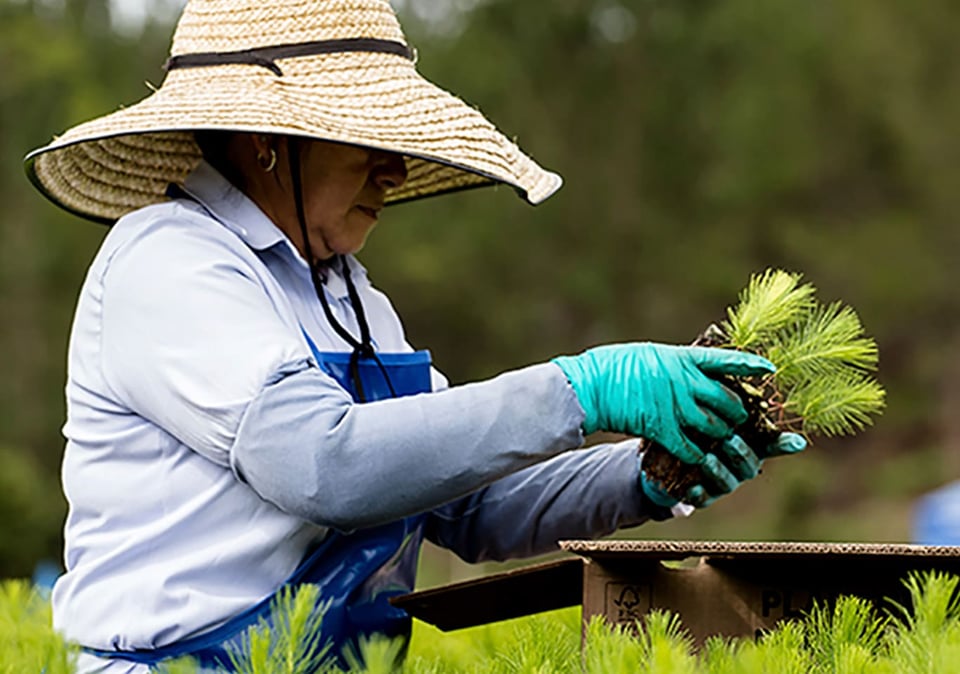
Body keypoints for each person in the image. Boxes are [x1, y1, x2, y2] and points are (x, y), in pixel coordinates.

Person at [24, 0, 806, 671]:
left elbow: (473, 506)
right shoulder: (169, 261)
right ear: (263, 141)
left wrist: (647, 476)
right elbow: (322, 466)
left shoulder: (348, 296)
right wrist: (583, 386)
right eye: (367, 137)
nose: (395, 171)